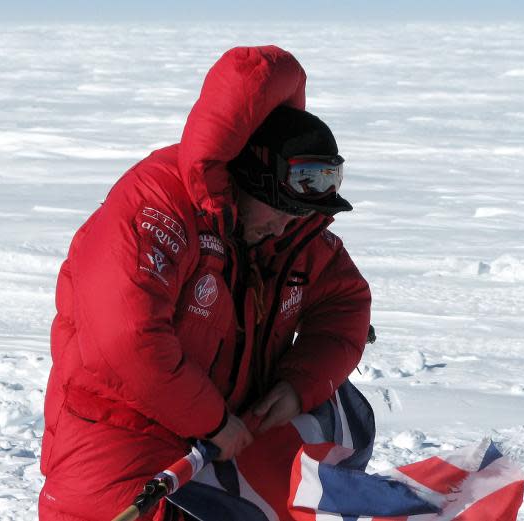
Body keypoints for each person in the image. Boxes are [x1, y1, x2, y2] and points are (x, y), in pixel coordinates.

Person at [39, 45, 371, 521]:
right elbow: (127, 342)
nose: (286, 226)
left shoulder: (286, 226)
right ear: (246, 180)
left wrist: (300, 385)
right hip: (124, 425)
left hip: (231, 426)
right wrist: (212, 422)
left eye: (301, 213)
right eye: (281, 209)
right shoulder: (156, 207)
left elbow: (345, 302)